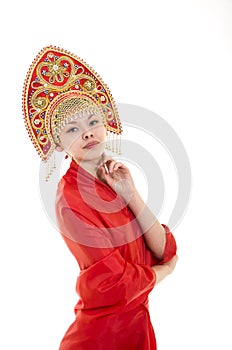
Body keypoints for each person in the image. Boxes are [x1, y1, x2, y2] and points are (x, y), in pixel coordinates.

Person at [23, 46, 178, 350]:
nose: (88, 134)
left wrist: (130, 194)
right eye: (72, 129)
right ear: (59, 143)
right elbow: (113, 285)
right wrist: (164, 272)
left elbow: (162, 248)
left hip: (136, 325)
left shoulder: (111, 180)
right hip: (103, 336)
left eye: (93, 122)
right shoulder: (70, 201)